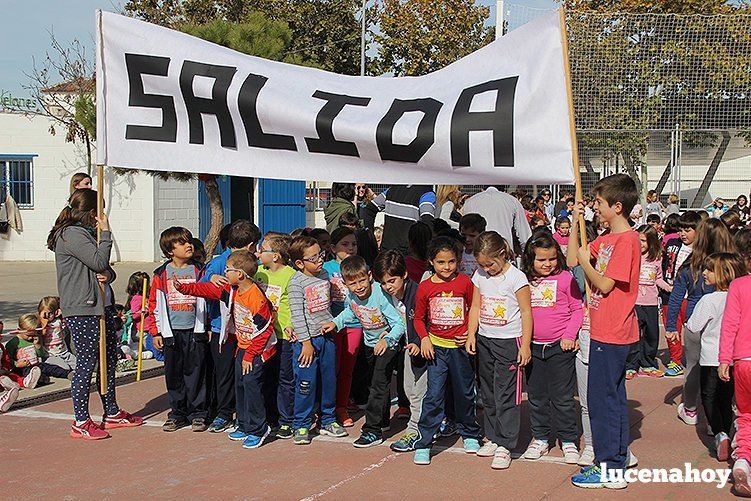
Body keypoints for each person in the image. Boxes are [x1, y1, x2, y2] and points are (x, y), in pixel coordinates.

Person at [47, 189, 142, 439]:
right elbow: (99, 260)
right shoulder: (72, 235)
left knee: (109, 359)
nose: (101, 216)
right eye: (99, 210)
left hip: (101, 305)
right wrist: (107, 234)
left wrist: (109, 275)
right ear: (91, 212)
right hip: (83, 308)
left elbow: (104, 269)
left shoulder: (85, 234)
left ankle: (111, 411)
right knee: (87, 364)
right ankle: (80, 419)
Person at [568, 173, 640, 489]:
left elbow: (605, 284)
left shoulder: (627, 241)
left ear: (617, 206)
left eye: (599, 203)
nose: (595, 208)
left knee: (602, 400)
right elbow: (573, 257)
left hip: (613, 331)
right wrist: (575, 222)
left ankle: (609, 465)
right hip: (600, 330)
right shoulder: (607, 238)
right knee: (609, 398)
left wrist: (587, 264)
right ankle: (616, 460)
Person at [175, 250, 278, 449]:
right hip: (242, 346)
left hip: (256, 351)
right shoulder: (231, 290)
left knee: (251, 386)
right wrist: (185, 288)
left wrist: (251, 354)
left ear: (240, 274)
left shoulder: (256, 297)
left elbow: (265, 329)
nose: (225, 272)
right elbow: (207, 290)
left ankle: (259, 428)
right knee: (239, 385)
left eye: (228, 269)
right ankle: (245, 423)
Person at [412, 237, 481, 465]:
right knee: (434, 395)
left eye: (451, 261)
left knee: (464, 392)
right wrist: (424, 339)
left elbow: (474, 309)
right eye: (441, 262)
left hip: (460, 350)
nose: (447, 267)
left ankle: (469, 432)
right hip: (436, 350)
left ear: (458, 261)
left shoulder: (465, 283)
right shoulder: (425, 287)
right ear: (432, 262)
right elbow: (419, 319)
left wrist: (471, 334)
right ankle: (424, 442)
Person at [322, 256, 405, 447]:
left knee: (378, 385)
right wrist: (335, 323)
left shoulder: (380, 295)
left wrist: (387, 339)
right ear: (345, 284)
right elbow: (350, 313)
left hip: (388, 345)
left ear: (369, 277)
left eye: (362, 281)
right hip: (370, 344)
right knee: (376, 384)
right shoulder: (352, 297)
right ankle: (382, 420)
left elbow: (398, 324)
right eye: (353, 283)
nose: (359, 286)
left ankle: (372, 430)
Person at [466, 231, 532, 469]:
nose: (487, 269)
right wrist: (471, 333)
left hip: (509, 341)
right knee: (489, 392)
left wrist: (525, 345)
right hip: (485, 339)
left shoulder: (517, 278)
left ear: (503, 255)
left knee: (506, 393)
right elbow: (475, 306)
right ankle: (493, 436)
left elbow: (526, 312)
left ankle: (506, 443)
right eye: (482, 265)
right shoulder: (479, 275)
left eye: (490, 264)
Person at [521, 232, 581, 465]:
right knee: (536, 396)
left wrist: (569, 335)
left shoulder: (566, 278)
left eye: (552, 259)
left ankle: (568, 440)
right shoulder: (524, 281)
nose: (547, 264)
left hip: (560, 348)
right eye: (541, 260)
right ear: (530, 260)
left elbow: (577, 309)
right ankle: (541, 438)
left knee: (563, 397)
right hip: (533, 348)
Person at [667, 218, 734, 427]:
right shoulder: (734, 264)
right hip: (729, 320)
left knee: (694, 367)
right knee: (728, 366)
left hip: (698, 319)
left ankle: (690, 408)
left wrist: (671, 326)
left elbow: (677, 296)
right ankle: (723, 414)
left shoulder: (693, 264)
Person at [200, 220, 261, 433]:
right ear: (251, 244)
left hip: (245, 331)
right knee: (225, 374)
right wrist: (212, 278)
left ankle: (241, 413)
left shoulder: (254, 263)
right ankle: (224, 412)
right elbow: (204, 286)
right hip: (223, 329)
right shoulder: (218, 264)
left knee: (241, 374)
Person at [288, 235, 348, 444]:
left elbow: (328, 306)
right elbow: (297, 315)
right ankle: (301, 424)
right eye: (313, 258)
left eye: (320, 254)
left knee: (329, 380)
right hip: (306, 343)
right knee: (306, 384)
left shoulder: (324, 275)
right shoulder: (296, 283)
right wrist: (305, 343)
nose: (320, 260)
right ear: (299, 263)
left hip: (327, 338)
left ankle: (328, 419)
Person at [148, 227, 209, 433]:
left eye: (189, 240)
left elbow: (208, 301)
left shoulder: (200, 270)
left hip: (195, 330)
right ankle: (178, 413)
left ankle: (198, 413)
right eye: (182, 242)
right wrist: (155, 331)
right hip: (171, 333)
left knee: (196, 373)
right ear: (169, 250)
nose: (188, 245)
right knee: (174, 375)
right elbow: (153, 304)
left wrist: (207, 327)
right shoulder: (161, 274)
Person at [688, 253, 745, 463]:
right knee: (727, 397)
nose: (704, 273)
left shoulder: (709, 299)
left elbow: (694, 326)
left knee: (709, 397)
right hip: (734, 357)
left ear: (722, 274)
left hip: (711, 356)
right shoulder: (739, 296)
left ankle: (719, 432)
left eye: (709, 270)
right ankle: (727, 433)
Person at [373, 250, 424, 453]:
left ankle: (415, 432)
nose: (388, 287)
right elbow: (398, 320)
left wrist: (421, 342)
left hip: (423, 349)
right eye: (384, 283)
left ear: (404, 275)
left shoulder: (417, 293)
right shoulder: (388, 295)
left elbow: (423, 322)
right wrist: (387, 331)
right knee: (409, 389)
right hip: (408, 347)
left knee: (419, 391)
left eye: (392, 281)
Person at [255, 232, 297, 440]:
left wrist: (291, 325)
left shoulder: (290, 275)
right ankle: (270, 416)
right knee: (267, 377)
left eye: (263, 250)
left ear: (276, 256)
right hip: (265, 336)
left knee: (285, 378)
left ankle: (286, 420)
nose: (258, 252)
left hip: (284, 336)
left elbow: (297, 304)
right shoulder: (259, 273)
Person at [322, 227, 362, 427]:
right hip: (332, 325)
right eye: (345, 244)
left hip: (355, 324)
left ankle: (341, 406)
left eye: (353, 244)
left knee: (347, 369)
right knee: (331, 368)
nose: (351, 248)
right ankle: (325, 407)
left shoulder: (361, 265)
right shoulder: (326, 268)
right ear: (332, 248)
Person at [719, 254, 751, 496]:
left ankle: (742, 460)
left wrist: (724, 360)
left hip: (743, 361)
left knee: (746, 414)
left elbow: (730, 323)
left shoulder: (738, 285)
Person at [661, 211, 702, 377]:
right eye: (681, 230)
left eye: (688, 230)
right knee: (672, 328)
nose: (683, 234)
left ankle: (696, 360)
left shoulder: (702, 250)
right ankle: (675, 360)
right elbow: (664, 264)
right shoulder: (672, 243)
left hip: (691, 297)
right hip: (669, 294)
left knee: (693, 330)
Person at [625, 225, 668, 379]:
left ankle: (648, 363)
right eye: (638, 240)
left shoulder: (656, 258)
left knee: (651, 335)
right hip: (634, 302)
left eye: (643, 240)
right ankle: (631, 365)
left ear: (651, 241)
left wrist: (668, 287)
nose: (640, 243)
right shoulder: (631, 256)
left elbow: (658, 279)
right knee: (634, 335)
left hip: (650, 302)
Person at [364, 185, 436, 254]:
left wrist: (370, 238)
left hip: (386, 252)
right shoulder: (427, 194)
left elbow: (370, 209)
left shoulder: (392, 190)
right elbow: (427, 221)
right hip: (408, 255)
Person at [6, 314, 72, 383]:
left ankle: (67, 374)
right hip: (22, 367)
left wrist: (37, 345)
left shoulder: (35, 339)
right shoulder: (13, 343)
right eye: (28, 335)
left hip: (36, 364)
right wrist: (17, 364)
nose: (31, 338)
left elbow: (41, 355)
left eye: (33, 335)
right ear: (19, 330)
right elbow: (7, 359)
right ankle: (41, 379)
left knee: (50, 368)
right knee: (27, 372)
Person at [462, 185, 532, 251]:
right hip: (502, 252)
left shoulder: (470, 201)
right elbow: (525, 237)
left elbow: (465, 230)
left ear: (482, 188)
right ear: (504, 189)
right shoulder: (512, 201)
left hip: (476, 254)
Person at [37, 296, 76, 371]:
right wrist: (43, 321)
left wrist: (62, 313)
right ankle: (47, 366)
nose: (48, 316)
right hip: (50, 355)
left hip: (64, 353)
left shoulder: (59, 321)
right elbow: (40, 332)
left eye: (50, 313)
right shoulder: (39, 324)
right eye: (45, 314)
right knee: (65, 368)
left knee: (79, 366)